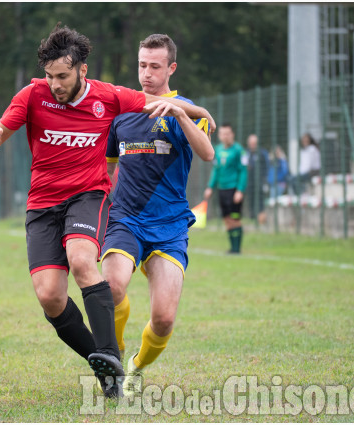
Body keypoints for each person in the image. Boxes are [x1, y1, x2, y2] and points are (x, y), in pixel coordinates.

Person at [0, 24, 214, 398]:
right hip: (77, 210)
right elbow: (6, 128)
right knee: (53, 295)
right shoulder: (40, 96)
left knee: (117, 286)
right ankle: (105, 360)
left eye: (155, 66)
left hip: (136, 213)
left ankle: (121, 361)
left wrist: (192, 111)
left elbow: (202, 147)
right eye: (142, 65)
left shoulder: (116, 98)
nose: (55, 83)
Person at [100, 34, 214, 398]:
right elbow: (106, 168)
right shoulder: (122, 112)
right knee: (111, 287)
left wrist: (181, 113)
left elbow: (207, 154)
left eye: (154, 66)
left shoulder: (188, 110)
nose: (146, 74)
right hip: (126, 219)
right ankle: (113, 360)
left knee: (163, 319)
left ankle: (136, 366)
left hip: (169, 226)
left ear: (171, 68)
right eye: (142, 65)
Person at [203, 123, 248, 254]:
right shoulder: (217, 150)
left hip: (233, 189)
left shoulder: (239, 150)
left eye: (227, 133)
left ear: (232, 134)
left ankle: (236, 249)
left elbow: (243, 171)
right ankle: (232, 248)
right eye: (222, 134)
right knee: (227, 219)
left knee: (235, 218)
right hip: (222, 190)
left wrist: (240, 190)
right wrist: (210, 187)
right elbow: (215, 170)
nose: (225, 136)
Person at [244, 134, 269, 225]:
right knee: (251, 199)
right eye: (251, 143)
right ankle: (252, 218)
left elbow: (266, 167)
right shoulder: (246, 153)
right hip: (249, 182)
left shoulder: (262, 153)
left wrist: (265, 180)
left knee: (260, 200)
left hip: (259, 181)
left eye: (254, 143)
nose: (252, 145)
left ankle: (261, 219)